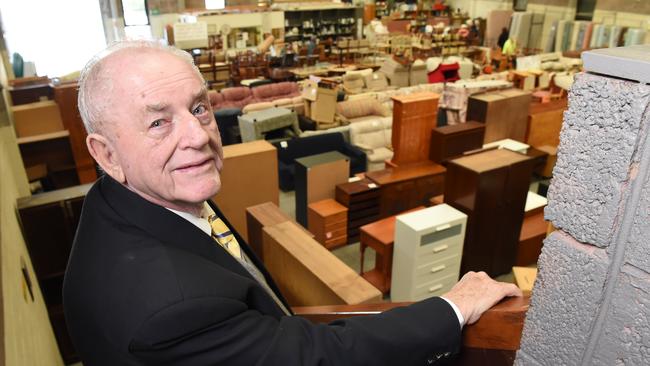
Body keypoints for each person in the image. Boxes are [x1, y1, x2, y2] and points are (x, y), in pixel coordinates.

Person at [63, 40, 522, 366]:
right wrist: (452, 309)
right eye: (159, 123)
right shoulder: (167, 306)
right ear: (105, 153)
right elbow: (310, 357)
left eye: (199, 108)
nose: (198, 136)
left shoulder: (149, 192)